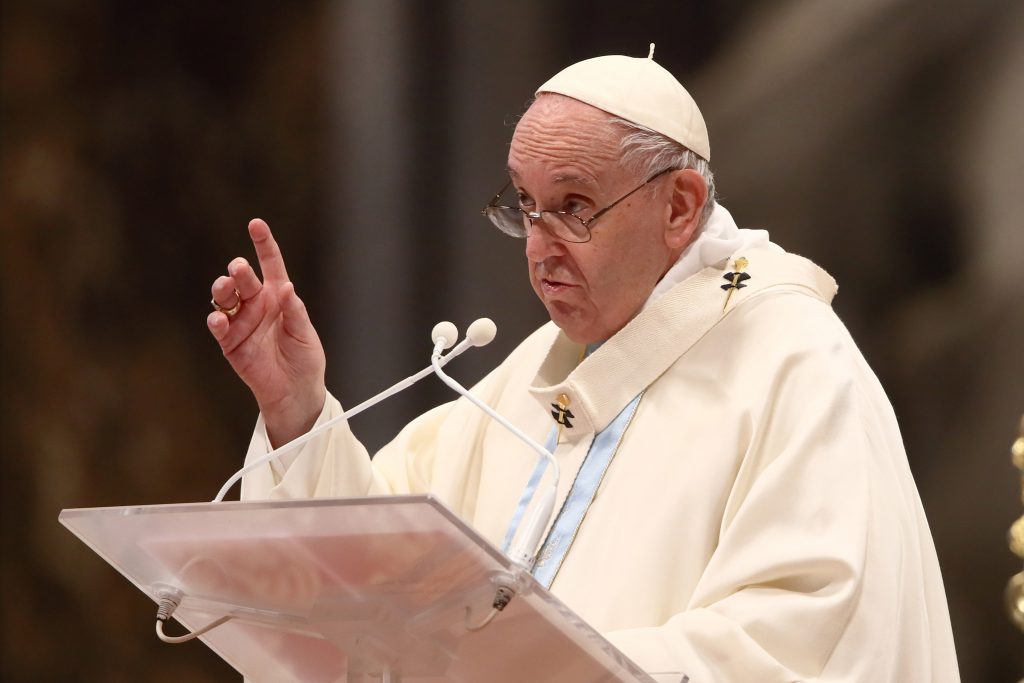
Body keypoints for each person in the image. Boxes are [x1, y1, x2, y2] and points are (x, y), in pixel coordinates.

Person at [207, 52, 959, 682]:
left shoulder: (793, 361)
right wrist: (297, 409)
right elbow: (374, 576)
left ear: (679, 206)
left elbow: (804, 640)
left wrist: (541, 666)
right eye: (526, 206)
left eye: (574, 207)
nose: (539, 247)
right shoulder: (539, 371)